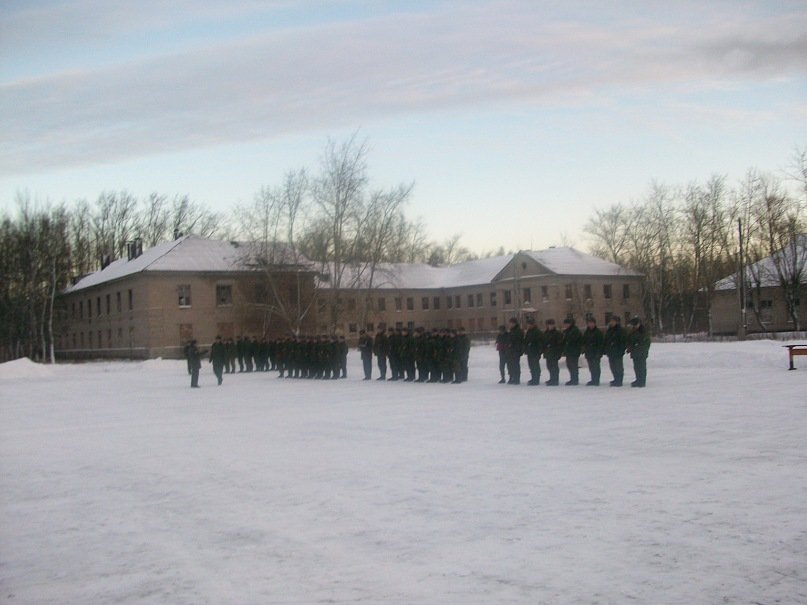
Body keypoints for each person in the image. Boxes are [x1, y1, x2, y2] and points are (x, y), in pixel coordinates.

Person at [626, 316, 650, 387]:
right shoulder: (633, 331)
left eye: (635, 324)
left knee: (641, 367)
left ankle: (642, 381)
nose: (633, 326)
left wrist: (639, 347)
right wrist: (629, 347)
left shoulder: (643, 331)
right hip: (635, 353)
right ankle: (638, 379)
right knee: (636, 367)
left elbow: (646, 342)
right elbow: (630, 340)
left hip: (641, 353)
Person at [603, 315, 626, 386]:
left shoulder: (620, 330)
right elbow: (606, 340)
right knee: (613, 367)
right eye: (611, 321)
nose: (612, 323)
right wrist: (606, 349)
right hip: (611, 352)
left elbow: (623, 342)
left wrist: (621, 350)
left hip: (618, 351)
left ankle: (619, 380)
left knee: (618, 367)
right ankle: (616, 378)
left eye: (613, 321)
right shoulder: (609, 330)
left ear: (617, 322)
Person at [582, 316, 605, 386]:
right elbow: (584, 341)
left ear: (594, 324)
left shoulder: (598, 332)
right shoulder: (587, 332)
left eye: (591, 323)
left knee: (596, 367)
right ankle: (593, 379)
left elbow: (601, 344)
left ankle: (596, 380)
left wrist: (599, 353)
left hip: (596, 352)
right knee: (591, 367)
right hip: (589, 352)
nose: (590, 325)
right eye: (589, 323)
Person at [523, 316, 544, 386]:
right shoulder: (528, 332)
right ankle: (533, 378)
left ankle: (536, 379)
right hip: (530, 352)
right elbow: (526, 341)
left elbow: (540, 342)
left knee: (535, 366)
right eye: (528, 324)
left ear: (533, 324)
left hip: (535, 352)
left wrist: (539, 351)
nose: (528, 325)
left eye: (530, 324)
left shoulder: (537, 332)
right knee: (531, 366)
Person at [543, 319, 563, 386]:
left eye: (551, 325)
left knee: (554, 367)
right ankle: (552, 378)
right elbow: (544, 343)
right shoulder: (546, 333)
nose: (550, 326)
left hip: (554, 352)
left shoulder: (557, 333)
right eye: (549, 325)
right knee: (549, 366)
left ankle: (555, 380)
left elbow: (559, 344)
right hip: (548, 352)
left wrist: (558, 353)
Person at [506, 318, 524, 384]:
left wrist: (513, 345)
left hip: (516, 350)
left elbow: (519, 341)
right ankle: (512, 377)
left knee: (516, 365)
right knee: (510, 365)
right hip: (510, 351)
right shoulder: (511, 331)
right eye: (510, 323)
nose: (510, 324)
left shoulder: (518, 331)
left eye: (511, 323)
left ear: (514, 323)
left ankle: (517, 378)